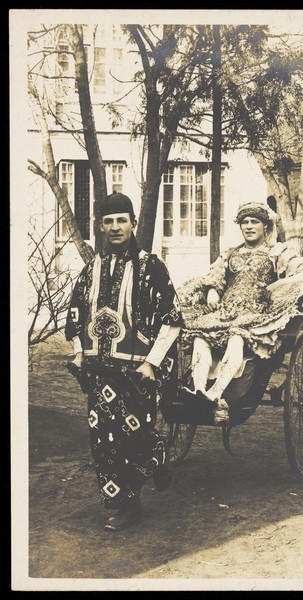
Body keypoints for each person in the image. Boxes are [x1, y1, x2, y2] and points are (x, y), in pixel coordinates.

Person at [65, 192, 183, 531]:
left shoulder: (151, 267)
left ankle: (157, 455)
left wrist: (153, 364)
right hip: (99, 374)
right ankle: (124, 507)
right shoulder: (91, 270)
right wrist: (77, 351)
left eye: (121, 220)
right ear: (101, 227)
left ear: (133, 223)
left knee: (137, 437)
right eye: (108, 221)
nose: (115, 227)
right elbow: (75, 316)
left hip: (138, 374)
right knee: (104, 445)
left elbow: (172, 318)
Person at [178, 200, 303, 423]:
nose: (249, 226)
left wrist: (277, 286)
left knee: (236, 338)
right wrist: (213, 290)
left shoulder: (277, 252)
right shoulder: (231, 253)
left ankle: (216, 392)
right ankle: (198, 391)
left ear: (265, 226)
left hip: (255, 315)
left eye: (255, 222)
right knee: (199, 339)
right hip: (225, 313)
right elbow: (214, 275)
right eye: (245, 222)